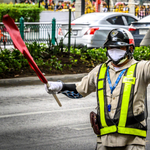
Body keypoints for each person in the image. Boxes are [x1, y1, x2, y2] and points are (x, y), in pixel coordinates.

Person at [45, 28, 148, 150]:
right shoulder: (100, 71)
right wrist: (60, 87)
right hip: (104, 142)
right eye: (111, 47)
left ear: (130, 49)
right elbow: (79, 90)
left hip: (132, 142)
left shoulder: (141, 68)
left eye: (119, 48)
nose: (114, 51)